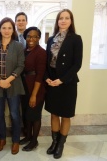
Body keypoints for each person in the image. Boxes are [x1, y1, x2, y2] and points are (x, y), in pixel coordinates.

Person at [45, 9, 83, 159]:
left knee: (65, 115)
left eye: (67, 18)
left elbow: (77, 64)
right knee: (54, 113)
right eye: (61, 18)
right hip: (52, 81)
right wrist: (47, 78)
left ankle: (61, 145)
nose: (63, 20)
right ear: (57, 21)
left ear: (71, 21)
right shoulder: (51, 39)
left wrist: (61, 80)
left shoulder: (76, 39)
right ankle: (54, 142)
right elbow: (47, 62)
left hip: (67, 82)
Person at [0, 17, 25, 155]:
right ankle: (2, 139)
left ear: (13, 29)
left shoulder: (18, 45)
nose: (7, 30)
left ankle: (15, 141)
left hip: (13, 84)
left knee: (15, 114)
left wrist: (8, 79)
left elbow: (21, 65)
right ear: (0, 30)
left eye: (9, 28)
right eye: (4, 28)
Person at [20, 27, 47, 152]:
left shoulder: (41, 52)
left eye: (35, 36)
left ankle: (34, 141)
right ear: (25, 37)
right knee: (27, 114)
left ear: (39, 38)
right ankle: (28, 136)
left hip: (36, 89)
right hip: (25, 87)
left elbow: (40, 75)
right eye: (29, 36)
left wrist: (34, 95)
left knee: (35, 116)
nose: (31, 39)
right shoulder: (25, 51)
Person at [15, 12, 31, 145]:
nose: (21, 22)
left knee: (26, 105)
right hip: (14, 76)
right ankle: (18, 127)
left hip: (28, 76)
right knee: (16, 105)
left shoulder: (31, 36)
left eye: (23, 20)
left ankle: (27, 128)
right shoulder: (13, 36)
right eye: (18, 20)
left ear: (26, 22)